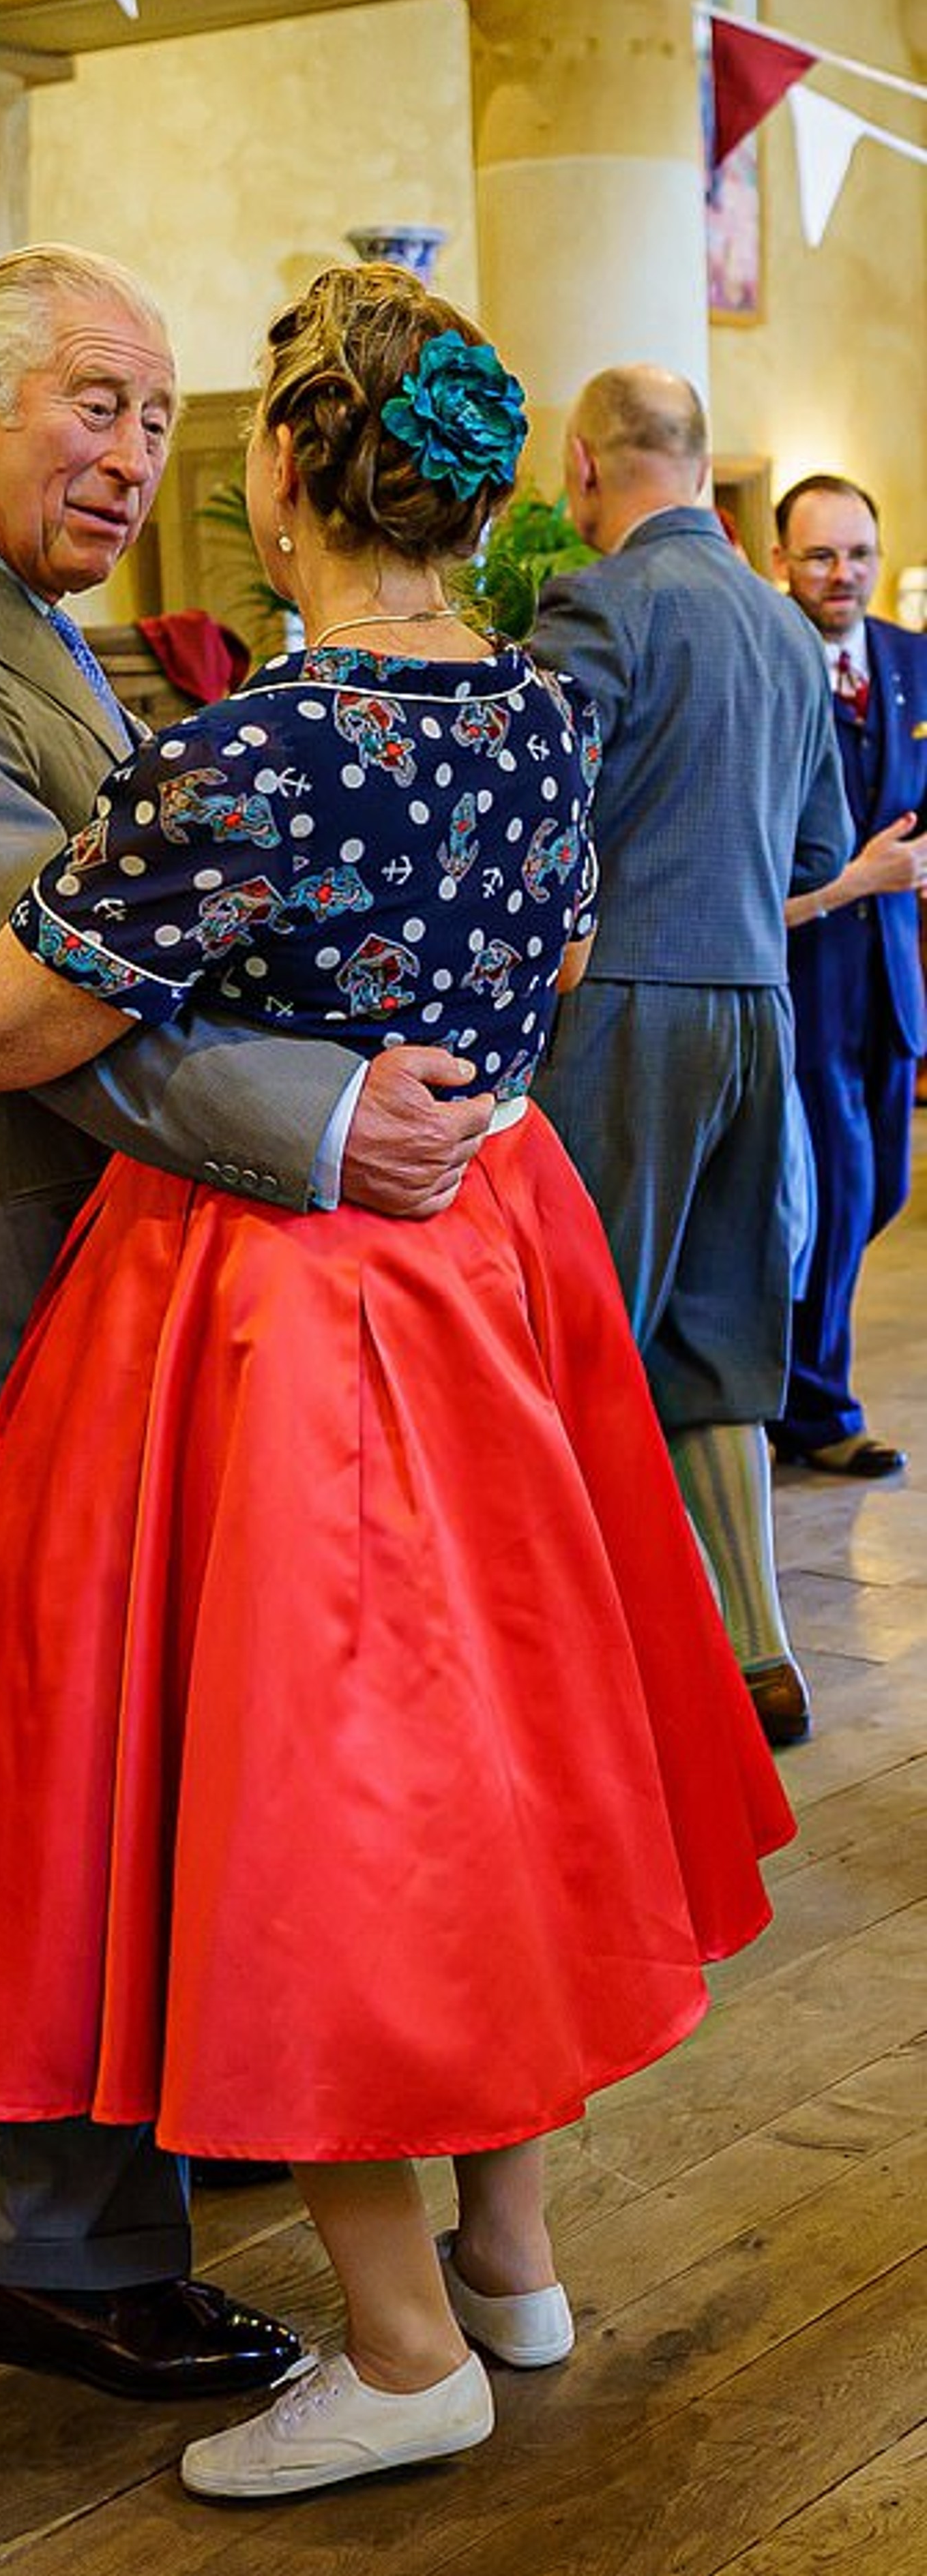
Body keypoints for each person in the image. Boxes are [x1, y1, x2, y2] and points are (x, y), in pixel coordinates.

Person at [0, 263, 795, 2502]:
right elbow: (552, 946)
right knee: (488, 1775)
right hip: (497, 1261)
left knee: (314, 1819)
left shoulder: (255, 751)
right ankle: (508, 2262)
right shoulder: (535, 709)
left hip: (291, 1303)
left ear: (278, 473)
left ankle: (408, 2348)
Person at [0, 245, 493, 2408]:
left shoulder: (11, 611)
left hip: (133, 1270)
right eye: (93, 403)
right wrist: (327, 1113)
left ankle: (168, 2115)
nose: (128, 454)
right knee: (55, 1761)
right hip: (12, 1252)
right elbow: (39, 1006)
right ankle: (64, 2244)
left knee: (136, 1731)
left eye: (159, 415)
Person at [526, 368, 852, 1752]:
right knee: (721, 1334)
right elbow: (822, 849)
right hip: (755, 1007)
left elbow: (533, 814)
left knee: (578, 1330)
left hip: (621, 1011)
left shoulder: (598, 602)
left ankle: (576, 1662)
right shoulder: (786, 626)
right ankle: (759, 1651)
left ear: (585, 465)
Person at [769, 474, 927, 1477]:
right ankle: (818, 1408)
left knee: (881, 1194)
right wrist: (852, 879)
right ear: (781, 562)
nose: (844, 574)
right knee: (833, 1188)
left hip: (892, 973)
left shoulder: (912, 659)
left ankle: (787, 1373)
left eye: (858, 554)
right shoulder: (770, 660)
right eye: (822, 556)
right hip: (805, 966)